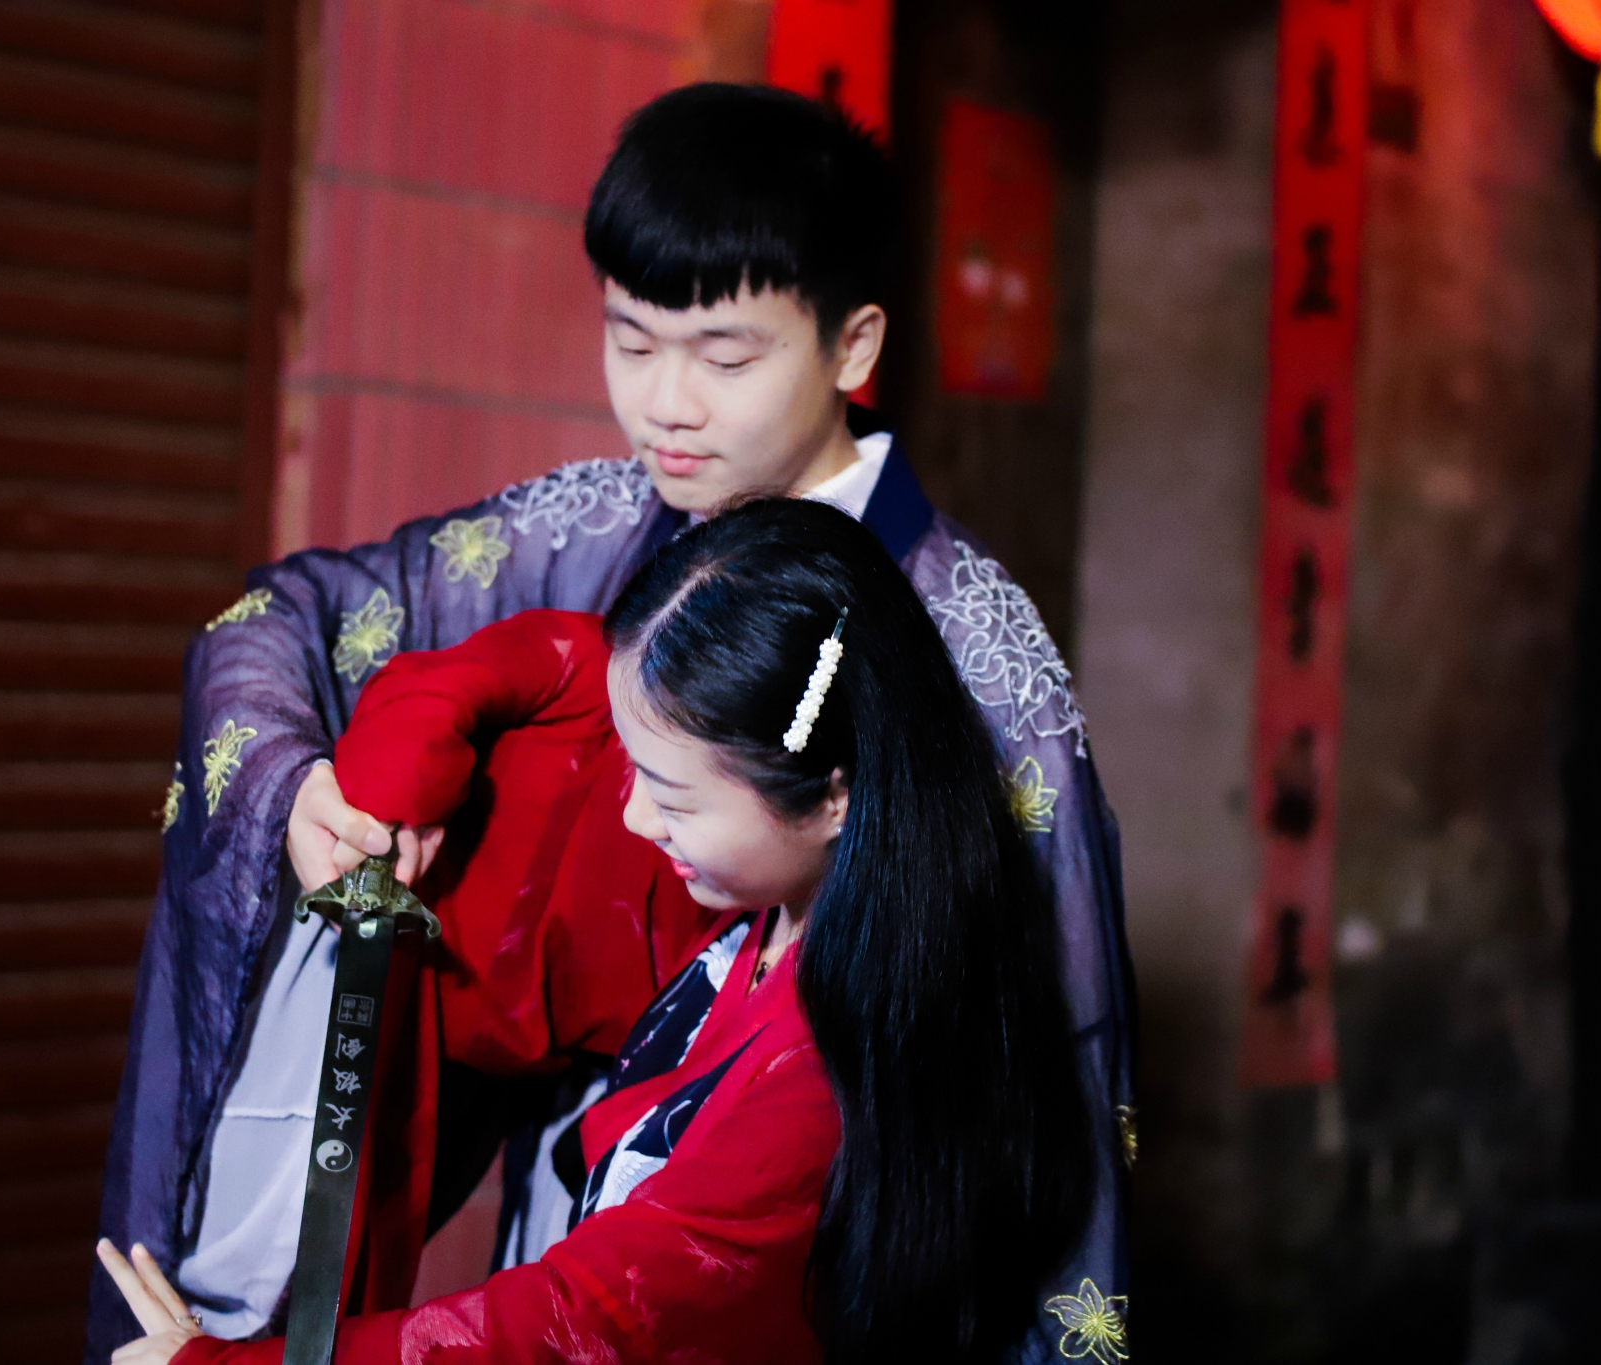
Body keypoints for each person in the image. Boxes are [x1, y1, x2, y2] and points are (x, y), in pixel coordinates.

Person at [88, 82, 1136, 1362]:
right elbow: (285, 617)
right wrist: (296, 787)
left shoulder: (975, 652)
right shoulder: (592, 524)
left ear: (851, 346)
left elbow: (1060, 1065)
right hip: (591, 1181)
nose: (665, 406)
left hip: (797, 1255)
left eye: (725, 358)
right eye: (631, 343)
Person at [99, 497, 1105, 1365]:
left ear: (831, 795)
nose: (635, 818)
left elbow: (578, 1320)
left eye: (672, 796)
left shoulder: (821, 1078)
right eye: (633, 772)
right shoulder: (797, 891)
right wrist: (400, 754)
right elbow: (572, 670)